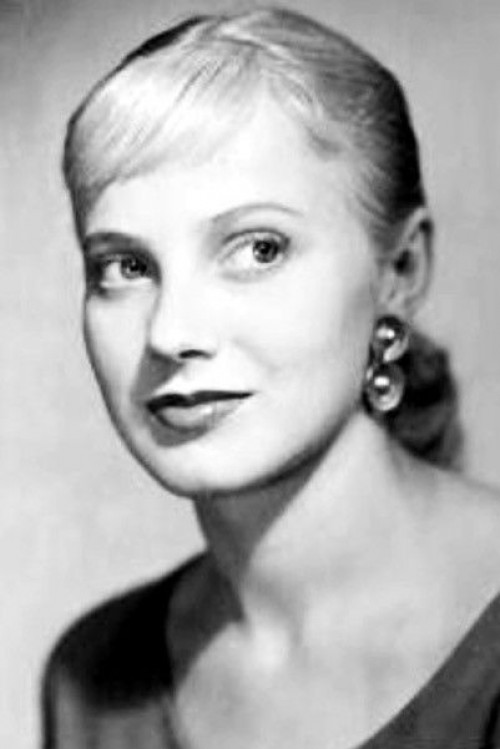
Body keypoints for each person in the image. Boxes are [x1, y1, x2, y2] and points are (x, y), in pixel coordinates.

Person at [42, 7, 500, 748]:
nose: (170, 333)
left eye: (258, 249)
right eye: (125, 267)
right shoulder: (95, 679)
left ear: (400, 270)